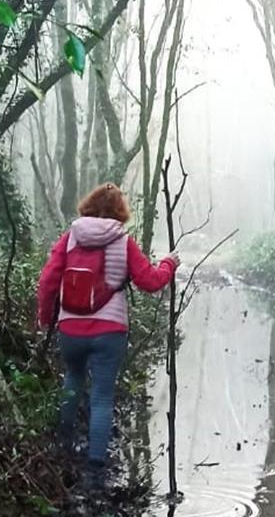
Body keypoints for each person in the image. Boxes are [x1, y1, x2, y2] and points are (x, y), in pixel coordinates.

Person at [37, 183, 179, 484]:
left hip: (70, 329)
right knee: (102, 396)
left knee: (72, 378)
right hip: (109, 331)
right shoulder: (123, 241)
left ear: (88, 205)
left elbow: (48, 280)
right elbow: (150, 282)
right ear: (120, 211)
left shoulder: (70, 237)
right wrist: (169, 263)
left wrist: (46, 317)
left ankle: (63, 444)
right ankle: (96, 468)